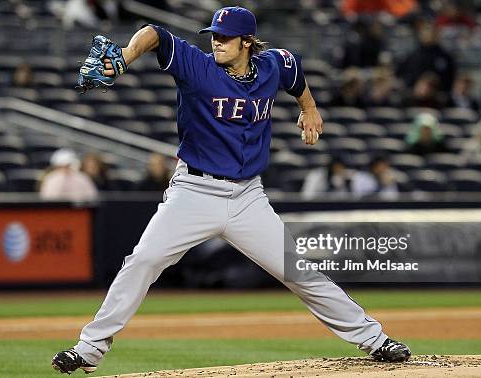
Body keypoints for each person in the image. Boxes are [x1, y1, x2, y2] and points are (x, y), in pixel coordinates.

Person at [51, 6, 410, 375]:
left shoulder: (271, 66)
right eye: (214, 35)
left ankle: (375, 340)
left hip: (248, 199)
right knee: (143, 261)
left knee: (299, 271)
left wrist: (310, 106)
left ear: (247, 42)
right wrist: (126, 57)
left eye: (225, 37)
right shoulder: (198, 67)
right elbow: (154, 33)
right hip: (194, 191)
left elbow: (294, 73)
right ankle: (89, 348)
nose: (217, 42)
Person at [396, 20, 456, 93]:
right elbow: (401, 74)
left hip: (439, 97)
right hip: (413, 97)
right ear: (421, 35)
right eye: (427, 31)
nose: (430, 34)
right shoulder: (413, 55)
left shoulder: (445, 56)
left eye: (433, 32)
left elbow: (450, 77)